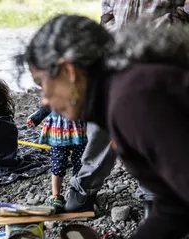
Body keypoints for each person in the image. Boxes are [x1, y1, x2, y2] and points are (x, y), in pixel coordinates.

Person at [17, 13, 189, 239]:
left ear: (69, 71)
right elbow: (175, 205)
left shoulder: (132, 101)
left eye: (42, 83)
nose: (43, 100)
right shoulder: (122, 92)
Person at [64, 0, 189, 217]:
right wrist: (109, 26)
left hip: (161, 52)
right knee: (102, 120)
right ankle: (84, 188)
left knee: (151, 125)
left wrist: (176, 20)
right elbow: (107, 7)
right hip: (116, 51)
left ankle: (154, 198)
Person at [27, 93, 87, 212]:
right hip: (58, 132)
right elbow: (47, 106)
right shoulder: (55, 86)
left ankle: (78, 192)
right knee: (58, 163)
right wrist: (36, 119)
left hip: (79, 129)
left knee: (80, 162)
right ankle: (56, 195)